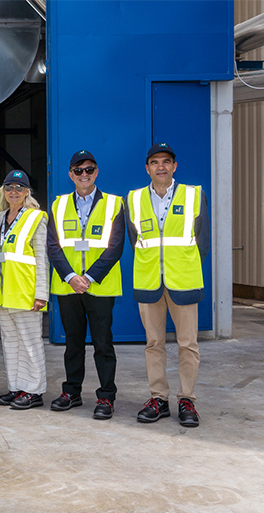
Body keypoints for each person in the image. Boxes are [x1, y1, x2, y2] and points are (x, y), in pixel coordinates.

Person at [126, 143, 210, 428]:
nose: (160, 166)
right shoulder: (134, 199)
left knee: (188, 344)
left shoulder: (194, 194)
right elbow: (134, 241)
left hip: (183, 281)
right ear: (147, 168)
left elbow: (203, 241)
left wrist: (183, 266)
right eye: (154, 162)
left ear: (174, 166)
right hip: (149, 281)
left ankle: (187, 399)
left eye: (166, 161)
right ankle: (158, 398)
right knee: (153, 344)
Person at [47, 150, 125, 420]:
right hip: (69, 287)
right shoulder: (57, 205)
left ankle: (106, 396)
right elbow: (53, 247)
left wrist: (88, 278)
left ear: (97, 172)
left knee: (103, 343)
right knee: (73, 343)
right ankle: (72, 392)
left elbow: (115, 248)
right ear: (70, 174)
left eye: (89, 170)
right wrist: (71, 277)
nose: (84, 175)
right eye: (78, 171)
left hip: (99, 287)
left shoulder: (115, 204)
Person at [0, 170, 49, 409]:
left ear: (27, 192)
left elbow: (42, 258)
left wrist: (41, 293)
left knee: (30, 343)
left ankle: (34, 391)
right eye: (9, 187)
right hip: (3, 293)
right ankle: (16, 387)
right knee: (10, 343)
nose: (14, 192)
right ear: (4, 191)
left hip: (25, 293)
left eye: (19, 188)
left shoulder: (36, 218)